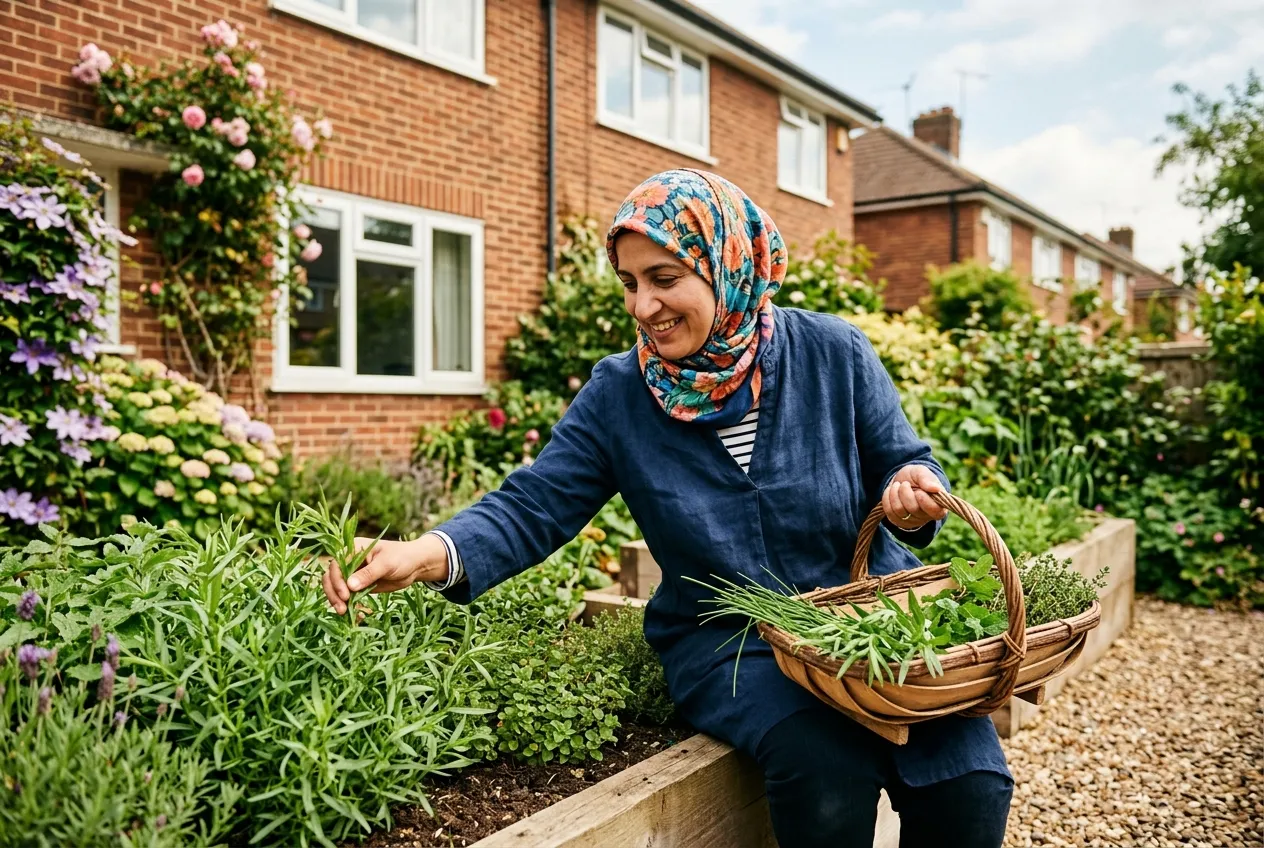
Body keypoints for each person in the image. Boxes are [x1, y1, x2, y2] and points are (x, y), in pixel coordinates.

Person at [322, 169, 1013, 848]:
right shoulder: (620, 395)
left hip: (872, 620)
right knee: (826, 768)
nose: (641, 307)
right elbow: (535, 505)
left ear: (727, 267)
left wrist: (913, 496)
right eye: (629, 283)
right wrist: (424, 553)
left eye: (664, 279)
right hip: (738, 646)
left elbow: (908, 461)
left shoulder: (834, 352)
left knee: (969, 778)